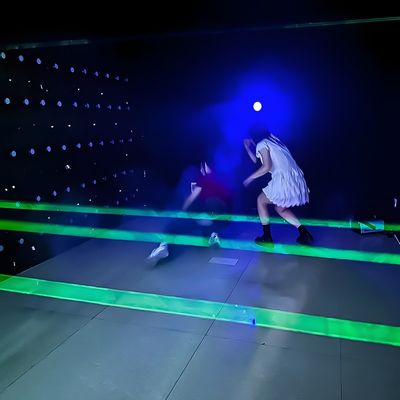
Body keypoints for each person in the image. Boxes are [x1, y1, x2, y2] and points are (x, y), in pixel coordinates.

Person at [147, 160, 232, 264]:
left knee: (174, 225)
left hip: (207, 211)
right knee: (207, 222)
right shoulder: (222, 179)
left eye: (202, 167)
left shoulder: (204, 179)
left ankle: (163, 246)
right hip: (219, 216)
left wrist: (183, 210)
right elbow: (228, 200)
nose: (201, 170)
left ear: (206, 167)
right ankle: (213, 235)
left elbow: (192, 197)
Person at [243, 129, 313, 245]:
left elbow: (266, 167)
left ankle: (267, 237)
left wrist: (250, 178)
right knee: (280, 209)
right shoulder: (275, 141)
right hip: (296, 180)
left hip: (285, 180)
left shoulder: (262, 144)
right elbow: (258, 162)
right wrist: (248, 148)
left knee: (260, 200)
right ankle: (304, 233)